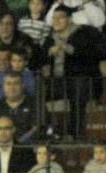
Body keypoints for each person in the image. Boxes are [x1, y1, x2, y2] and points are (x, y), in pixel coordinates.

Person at [41, 4, 100, 139]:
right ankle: (49, 131)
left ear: (70, 19)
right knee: (39, 90)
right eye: (54, 18)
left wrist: (67, 48)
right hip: (55, 81)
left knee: (78, 88)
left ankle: (75, 133)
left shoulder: (81, 33)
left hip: (77, 80)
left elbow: (89, 56)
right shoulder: (50, 38)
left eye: (60, 18)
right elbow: (38, 59)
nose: (56, 21)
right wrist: (49, 52)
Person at [0, 69, 37, 143]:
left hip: (28, 149)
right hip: (0, 150)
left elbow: (36, 130)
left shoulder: (35, 105)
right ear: (3, 86)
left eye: (16, 83)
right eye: (8, 84)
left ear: (23, 85)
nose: (12, 88)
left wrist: (16, 145)